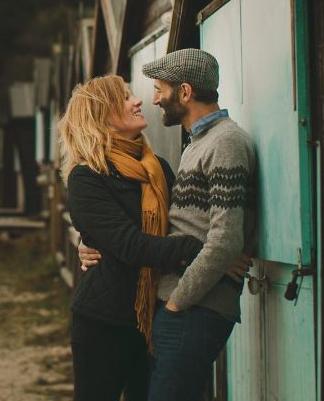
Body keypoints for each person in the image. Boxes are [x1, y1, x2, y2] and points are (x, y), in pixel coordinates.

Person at [79, 49, 257, 401]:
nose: (153, 98)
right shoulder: (194, 146)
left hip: (190, 305)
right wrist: (87, 241)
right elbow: (158, 228)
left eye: (160, 89)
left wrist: (177, 302)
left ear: (185, 92)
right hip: (156, 308)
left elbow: (221, 238)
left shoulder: (222, 143)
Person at [58, 75, 205, 401]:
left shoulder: (159, 170)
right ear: (101, 116)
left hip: (160, 313)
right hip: (105, 322)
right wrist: (206, 252)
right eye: (124, 98)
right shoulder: (86, 178)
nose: (137, 101)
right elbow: (130, 245)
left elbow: (181, 227)